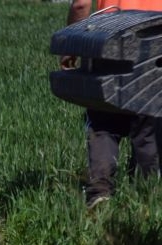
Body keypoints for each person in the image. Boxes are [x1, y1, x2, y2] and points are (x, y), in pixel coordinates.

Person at [61, 0, 162, 209]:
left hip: (110, 35)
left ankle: (100, 192)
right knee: (148, 123)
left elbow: (80, 5)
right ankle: (147, 199)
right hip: (156, 38)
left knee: (103, 121)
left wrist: (73, 44)